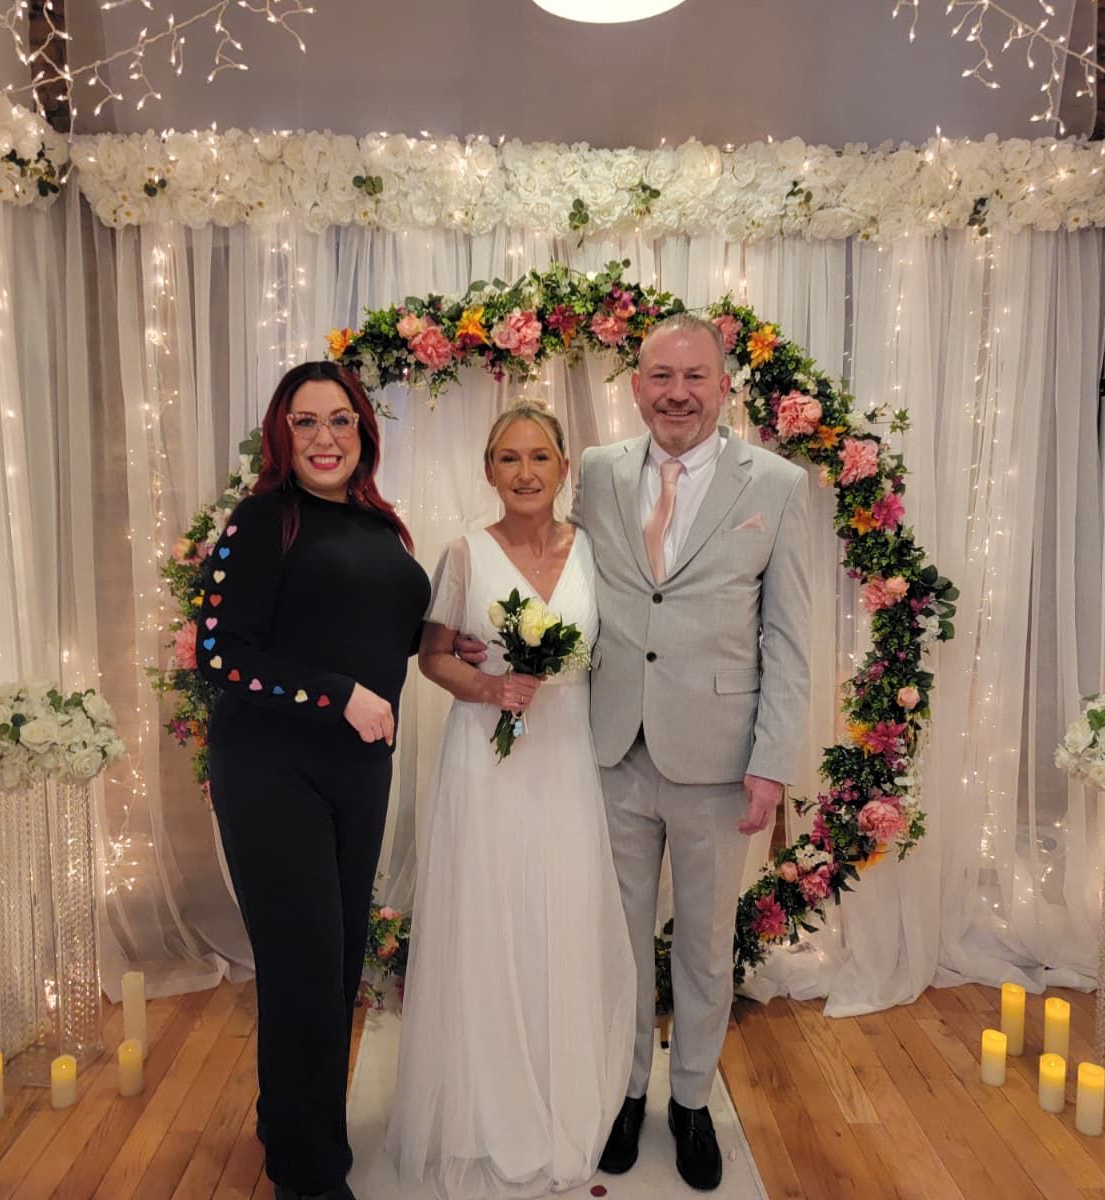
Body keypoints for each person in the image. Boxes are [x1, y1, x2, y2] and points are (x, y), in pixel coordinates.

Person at [457, 313, 811, 1191]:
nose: (677, 393)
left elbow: (791, 639)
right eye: (660, 376)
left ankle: (690, 1100)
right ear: (636, 385)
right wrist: (480, 642)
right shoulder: (603, 474)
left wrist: (771, 762)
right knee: (609, 939)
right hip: (606, 748)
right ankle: (621, 1090)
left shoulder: (778, 483)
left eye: (695, 376)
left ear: (725, 385)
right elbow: (552, 572)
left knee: (701, 941)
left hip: (720, 759)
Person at [386, 403, 633, 1198]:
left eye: (540, 458)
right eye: (508, 458)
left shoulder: (599, 551)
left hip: (568, 760)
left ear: (565, 469)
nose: (525, 473)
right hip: (487, 762)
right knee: (490, 912)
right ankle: (485, 1100)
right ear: (488, 469)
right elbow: (430, 656)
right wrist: (490, 685)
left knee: (559, 910)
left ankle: (565, 1087)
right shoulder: (463, 552)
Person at [199, 361, 431, 1200]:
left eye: (341, 420)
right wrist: (339, 697)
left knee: (334, 969)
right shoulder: (264, 521)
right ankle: (306, 1171)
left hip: (359, 770)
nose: (325, 438)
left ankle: (291, 1121)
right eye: (306, 423)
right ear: (281, 434)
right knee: (302, 967)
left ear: (364, 430)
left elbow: (367, 631)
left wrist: (453, 650)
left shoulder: (379, 527)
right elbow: (221, 655)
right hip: (271, 767)